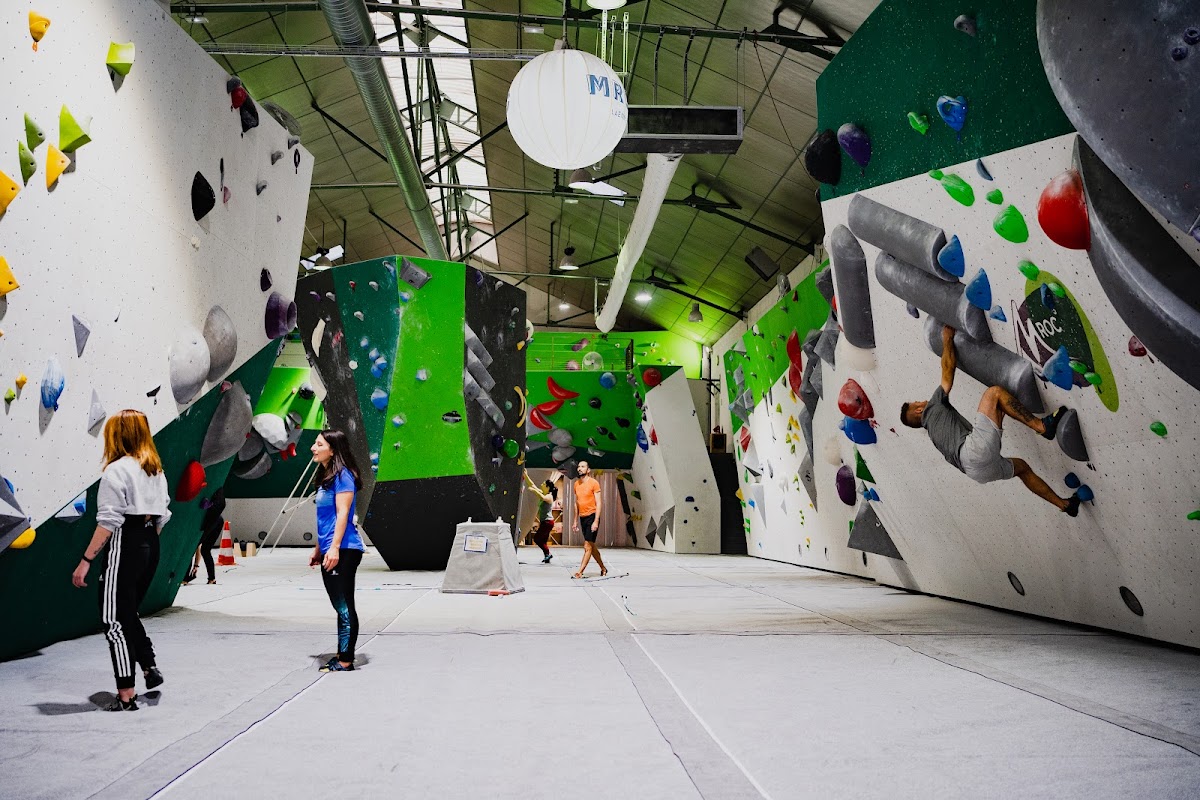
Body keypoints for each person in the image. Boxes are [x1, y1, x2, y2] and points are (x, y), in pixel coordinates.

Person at [900, 324, 1080, 516]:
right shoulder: (932, 408)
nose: (922, 400)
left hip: (976, 472)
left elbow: (975, 448)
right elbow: (947, 371)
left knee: (1022, 468)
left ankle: (1065, 505)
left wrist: (1000, 415)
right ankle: (1042, 426)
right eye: (918, 402)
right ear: (919, 410)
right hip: (973, 453)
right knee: (993, 393)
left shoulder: (935, 433)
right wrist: (947, 338)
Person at [71, 410, 171, 711]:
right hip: (150, 543)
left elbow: (108, 522)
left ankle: (126, 695)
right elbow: (163, 515)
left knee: (113, 620)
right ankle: (148, 665)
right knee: (127, 612)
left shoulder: (116, 470)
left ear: (117, 435)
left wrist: (86, 559)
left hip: (126, 543)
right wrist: (146, 542)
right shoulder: (155, 469)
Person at [309, 429, 365, 673]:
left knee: (344, 606)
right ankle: (344, 655)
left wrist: (333, 549)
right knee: (339, 604)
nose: (313, 447)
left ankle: (345, 660)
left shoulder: (343, 476)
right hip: (332, 548)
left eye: (319, 444)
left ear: (332, 450)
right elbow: (327, 518)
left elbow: (343, 514)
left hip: (344, 549)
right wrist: (319, 548)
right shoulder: (328, 477)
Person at [571, 461, 606, 578]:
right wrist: (575, 521)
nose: (580, 468)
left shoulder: (594, 483)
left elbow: (599, 502)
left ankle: (580, 571)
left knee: (587, 545)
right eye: (579, 467)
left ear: (588, 470)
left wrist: (596, 520)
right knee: (591, 546)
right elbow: (577, 503)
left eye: (583, 466)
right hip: (582, 518)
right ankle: (603, 568)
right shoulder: (576, 484)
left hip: (592, 516)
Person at [184, 488, 224, 585]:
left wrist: (196, 565)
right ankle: (212, 579)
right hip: (217, 519)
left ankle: (185, 578)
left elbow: (196, 546)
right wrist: (196, 565)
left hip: (213, 520)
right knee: (205, 550)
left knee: (193, 548)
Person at [523, 472, 556, 564]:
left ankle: (548, 554)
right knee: (543, 540)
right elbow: (532, 484)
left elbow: (542, 497)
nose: (541, 485)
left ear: (547, 487)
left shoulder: (549, 496)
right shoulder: (543, 493)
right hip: (545, 522)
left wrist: (533, 491)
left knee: (537, 539)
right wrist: (526, 475)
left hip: (548, 522)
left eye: (543, 484)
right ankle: (547, 555)